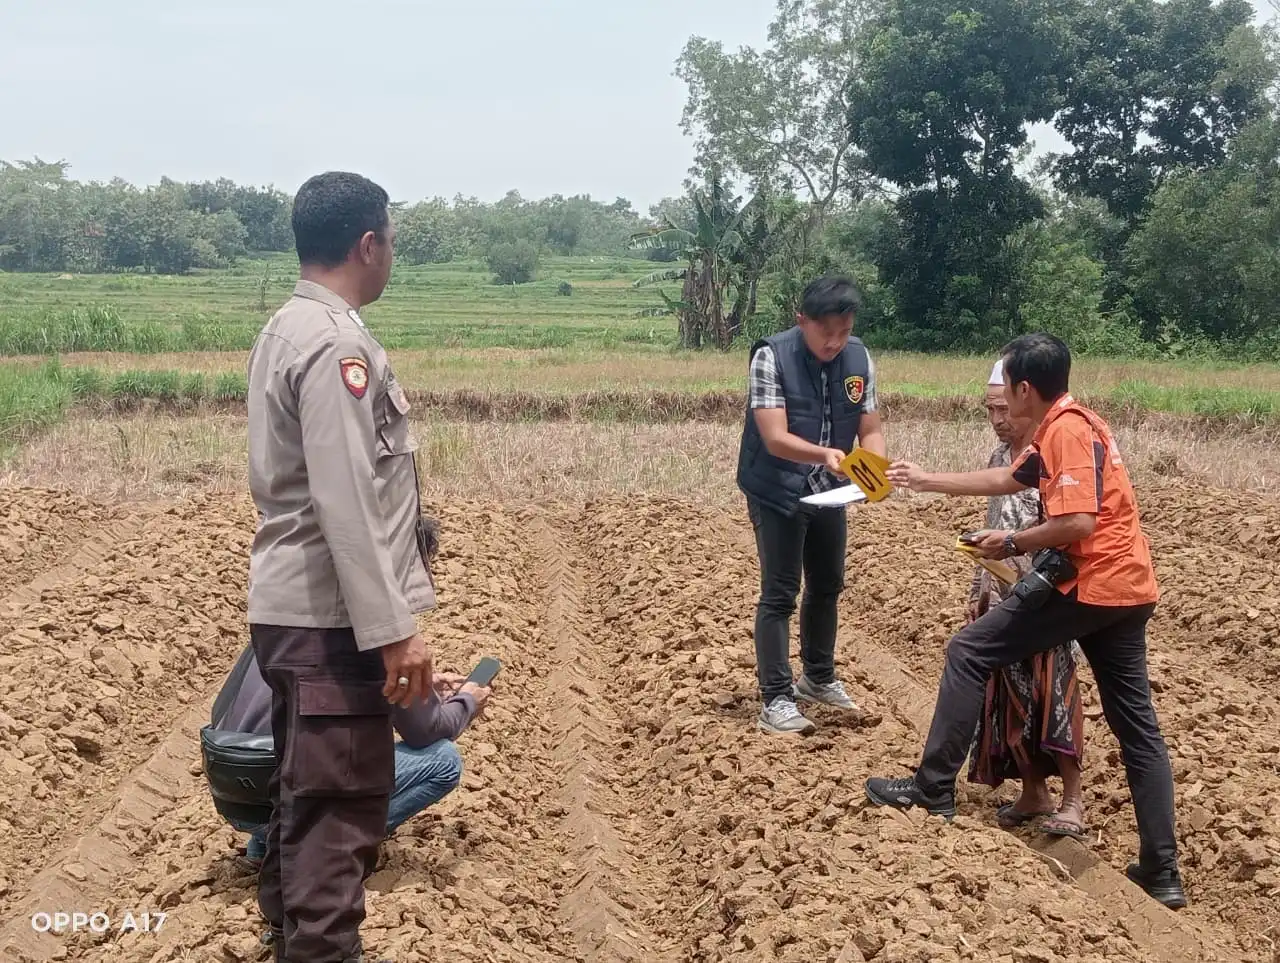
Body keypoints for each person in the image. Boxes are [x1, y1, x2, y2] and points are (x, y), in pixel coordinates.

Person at [864, 332, 1186, 910]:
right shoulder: (1073, 422)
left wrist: (1010, 539)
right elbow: (1009, 480)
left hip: (1090, 585)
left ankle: (932, 787)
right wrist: (925, 480)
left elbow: (1079, 523)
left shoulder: (1062, 431)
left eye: (1005, 392)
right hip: (1130, 588)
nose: (1002, 405)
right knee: (1137, 725)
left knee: (969, 650)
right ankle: (1161, 871)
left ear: (1024, 388)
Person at [246, 170, 438, 963]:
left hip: (295, 612)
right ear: (368, 244)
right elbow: (346, 499)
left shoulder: (287, 326)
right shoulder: (334, 344)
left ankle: (282, 937)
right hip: (332, 622)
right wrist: (395, 631)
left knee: (304, 801)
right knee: (338, 815)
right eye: (391, 240)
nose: (391, 254)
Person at [735, 275, 887, 736]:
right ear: (803, 321)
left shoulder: (859, 358)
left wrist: (874, 468)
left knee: (827, 585)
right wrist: (825, 455)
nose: (836, 343)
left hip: (829, 492)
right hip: (777, 488)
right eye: (826, 333)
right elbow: (775, 437)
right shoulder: (771, 356)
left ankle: (817, 678)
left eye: (844, 332)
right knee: (781, 592)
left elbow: (871, 427)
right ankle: (775, 698)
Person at [208, 641, 491, 870]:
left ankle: (265, 844)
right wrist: (466, 701)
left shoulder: (278, 627)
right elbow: (428, 731)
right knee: (444, 760)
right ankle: (325, 850)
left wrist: (421, 687)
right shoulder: (370, 639)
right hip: (293, 797)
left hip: (238, 795)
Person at [965, 358, 1087, 840]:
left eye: (1004, 408)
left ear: (1025, 398)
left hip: (1047, 597)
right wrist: (982, 588)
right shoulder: (1002, 460)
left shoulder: (1051, 455)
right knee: (1010, 695)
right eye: (989, 410)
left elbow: (1067, 530)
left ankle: (1073, 799)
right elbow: (997, 513)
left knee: (1054, 692)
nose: (998, 419)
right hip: (1003, 594)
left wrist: (1017, 549)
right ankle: (1033, 791)